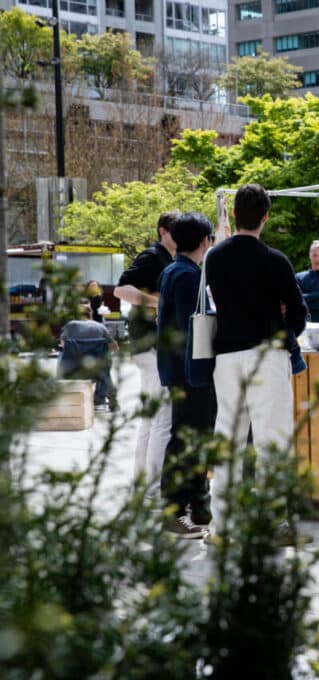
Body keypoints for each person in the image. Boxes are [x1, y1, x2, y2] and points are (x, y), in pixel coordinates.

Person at [204, 184, 308, 542]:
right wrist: (281, 318)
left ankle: (222, 526)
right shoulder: (275, 261)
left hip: (227, 356)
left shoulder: (213, 258)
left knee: (228, 439)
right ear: (265, 216)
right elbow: (298, 317)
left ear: (234, 214)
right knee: (272, 441)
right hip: (268, 355)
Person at [155, 213, 216, 539]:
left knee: (189, 436)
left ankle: (195, 504)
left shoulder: (173, 271)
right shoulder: (189, 275)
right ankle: (175, 510)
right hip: (190, 372)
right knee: (186, 439)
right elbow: (193, 326)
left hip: (176, 369)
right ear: (205, 240)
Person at [114, 211, 177, 492]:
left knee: (153, 419)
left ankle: (144, 484)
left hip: (149, 345)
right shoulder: (152, 257)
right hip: (149, 345)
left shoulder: (167, 258)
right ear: (163, 231)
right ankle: (152, 487)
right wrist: (156, 303)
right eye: (176, 230)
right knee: (161, 417)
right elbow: (120, 290)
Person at [58, 304, 118, 411]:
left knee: (62, 354)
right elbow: (114, 347)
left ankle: (63, 397)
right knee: (105, 364)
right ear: (90, 314)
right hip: (97, 370)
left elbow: (63, 344)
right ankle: (103, 399)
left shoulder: (70, 325)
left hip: (73, 369)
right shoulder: (100, 326)